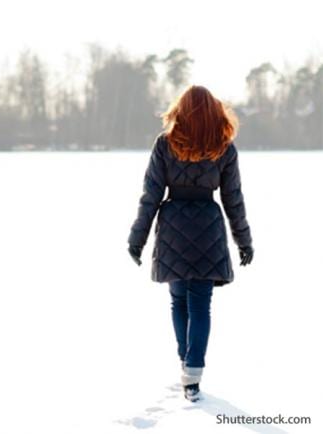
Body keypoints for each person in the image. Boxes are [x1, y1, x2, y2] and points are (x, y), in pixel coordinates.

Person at [126, 85, 254, 402]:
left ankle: (186, 362)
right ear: (215, 112)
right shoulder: (224, 147)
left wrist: (137, 238)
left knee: (178, 302)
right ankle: (193, 373)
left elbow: (151, 195)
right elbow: (233, 199)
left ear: (180, 111)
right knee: (201, 304)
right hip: (208, 228)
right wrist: (243, 240)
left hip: (172, 228)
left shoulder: (165, 144)